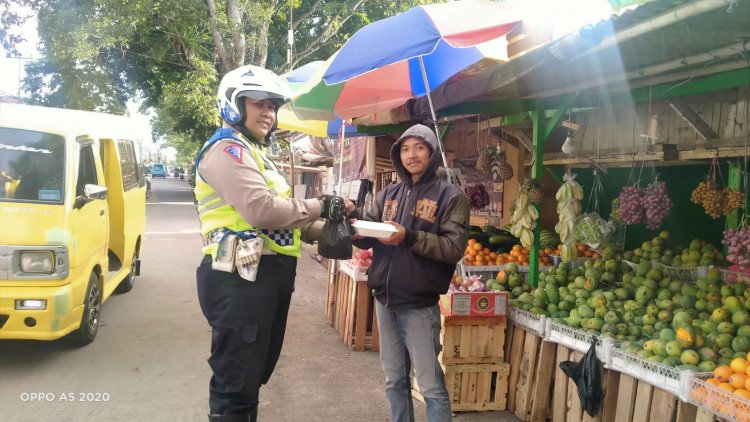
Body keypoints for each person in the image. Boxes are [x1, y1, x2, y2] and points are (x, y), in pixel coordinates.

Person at [194, 64, 354, 422]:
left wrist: (336, 231)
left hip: (262, 280)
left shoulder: (254, 153)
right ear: (234, 104)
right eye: (259, 103)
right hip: (239, 281)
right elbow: (261, 210)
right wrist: (321, 205)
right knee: (234, 387)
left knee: (249, 382)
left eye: (273, 105)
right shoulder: (227, 151)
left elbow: (284, 227)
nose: (268, 112)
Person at [352, 124, 469, 421]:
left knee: (430, 387)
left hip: (419, 305)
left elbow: (453, 247)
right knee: (395, 382)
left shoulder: (450, 196)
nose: (411, 155)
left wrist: (410, 237)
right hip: (384, 299)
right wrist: (354, 228)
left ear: (430, 152)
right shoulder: (389, 193)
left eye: (418, 148)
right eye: (404, 149)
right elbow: (368, 228)